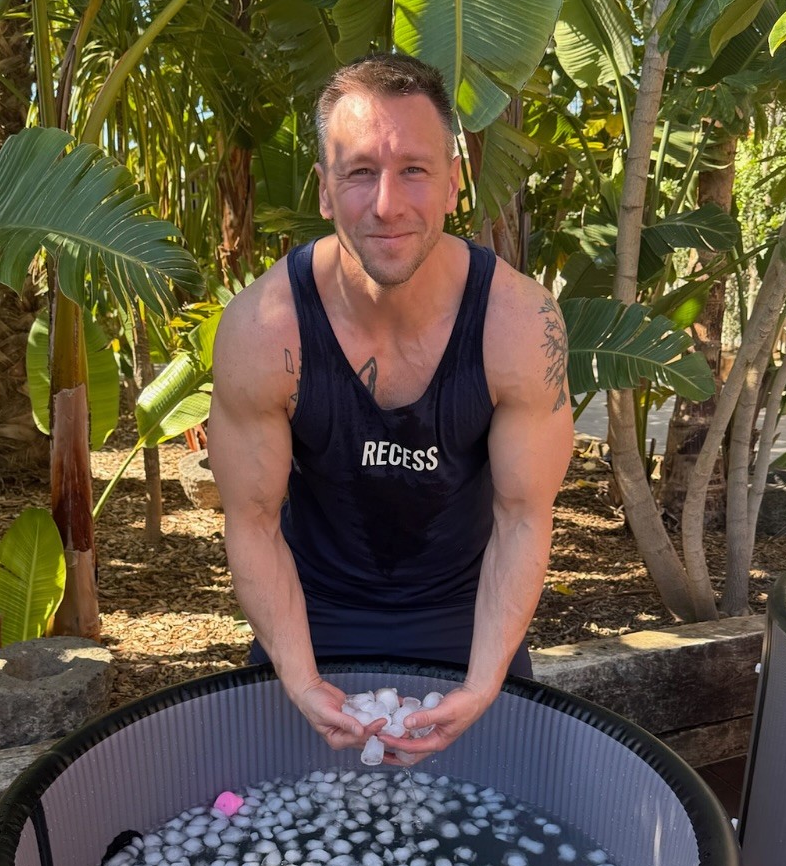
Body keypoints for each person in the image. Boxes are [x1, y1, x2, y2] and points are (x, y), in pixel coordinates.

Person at [207, 52, 572, 763]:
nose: (386, 204)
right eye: (359, 172)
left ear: (453, 182)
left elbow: (524, 516)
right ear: (322, 189)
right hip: (310, 619)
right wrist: (302, 679)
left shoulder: (519, 323)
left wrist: (483, 680)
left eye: (413, 170)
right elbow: (250, 523)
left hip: (468, 622)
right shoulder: (264, 328)